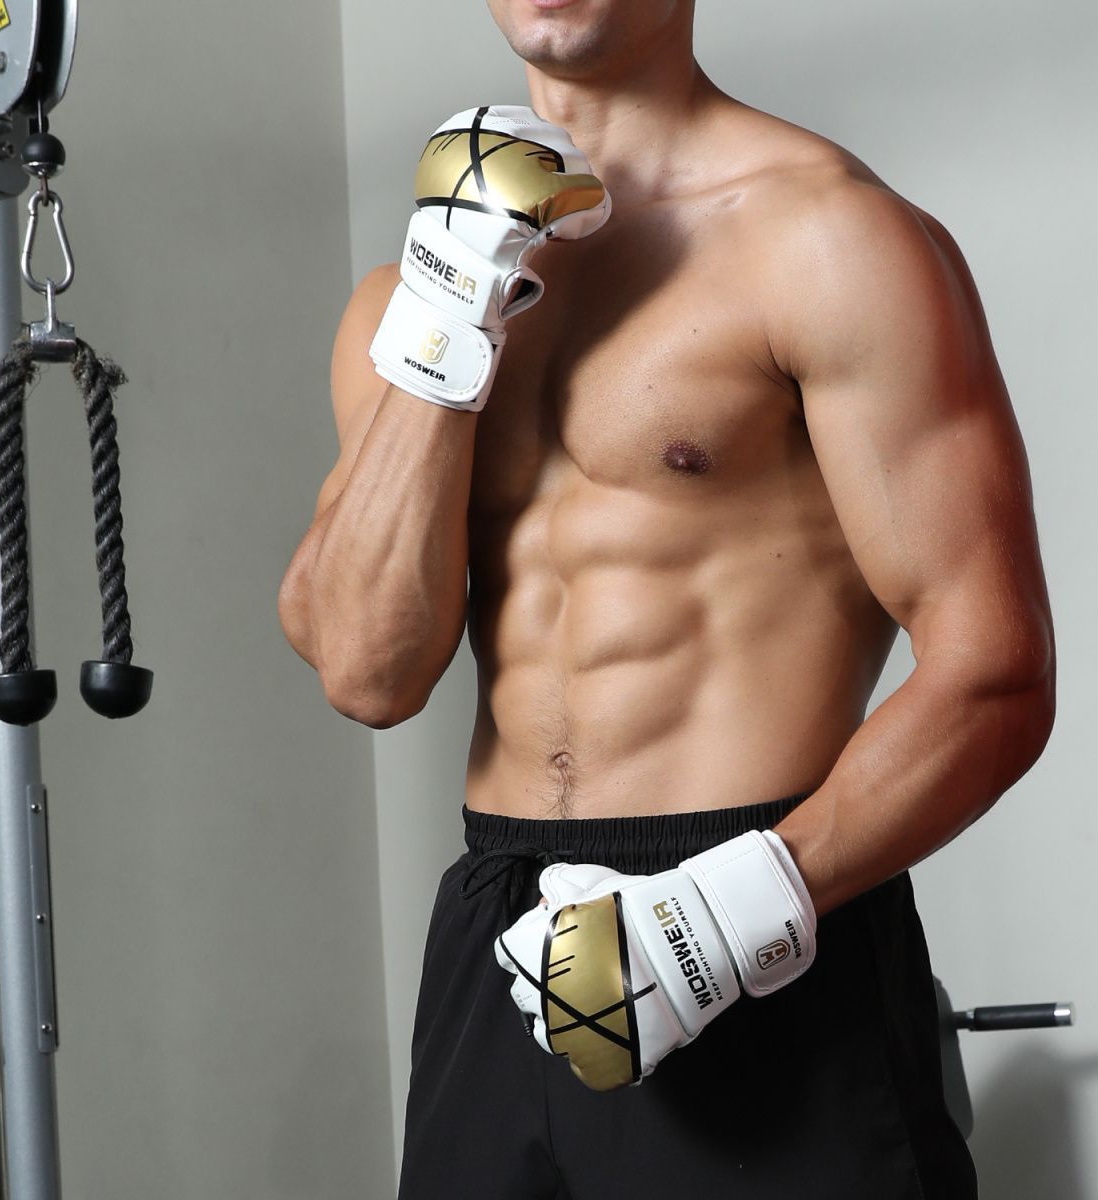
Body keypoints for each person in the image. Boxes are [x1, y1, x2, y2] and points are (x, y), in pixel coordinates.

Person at [277, 2, 1055, 1196]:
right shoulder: (410, 292)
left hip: (764, 926)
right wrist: (447, 312)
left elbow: (995, 674)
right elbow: (365, 671)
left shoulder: (828, 241)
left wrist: (725, 921)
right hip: (502, 948)